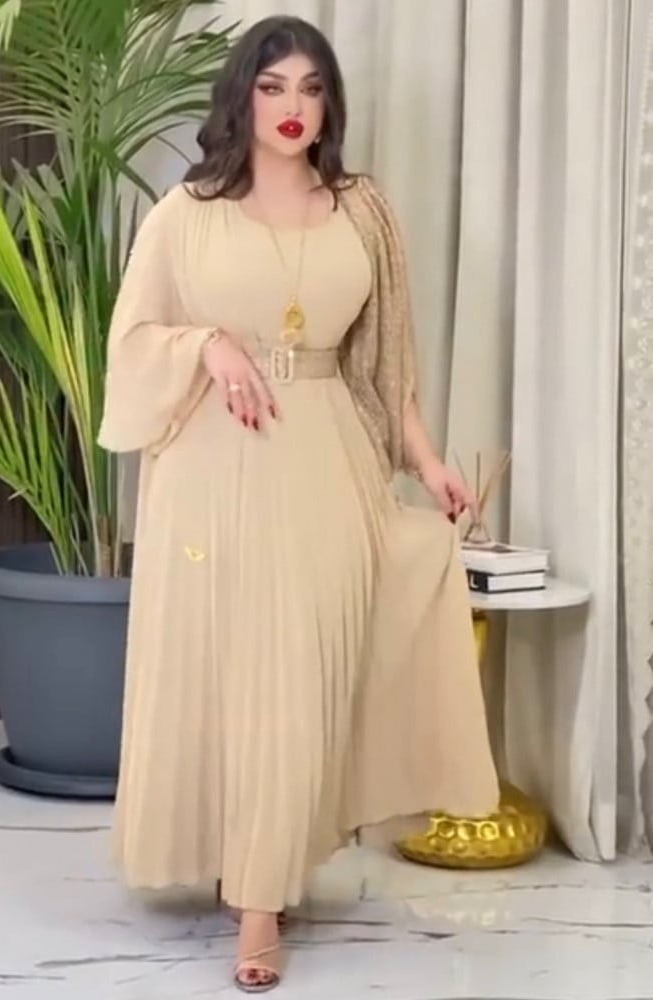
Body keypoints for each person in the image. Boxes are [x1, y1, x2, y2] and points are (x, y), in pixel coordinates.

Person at [98, 14, 499, 994]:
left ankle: (264, 887)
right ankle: (252, 893)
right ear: (241, 96)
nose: (291, 106)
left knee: (300, 672)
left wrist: (428, 463)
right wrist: (208, 345)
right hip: (211, 467)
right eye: (271, 86)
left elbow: (389, 365)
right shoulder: (185, 212)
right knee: (233, 676)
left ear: (329, 105)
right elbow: (132, 340)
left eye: (310, 88)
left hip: (327, 459)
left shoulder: (363, 211)